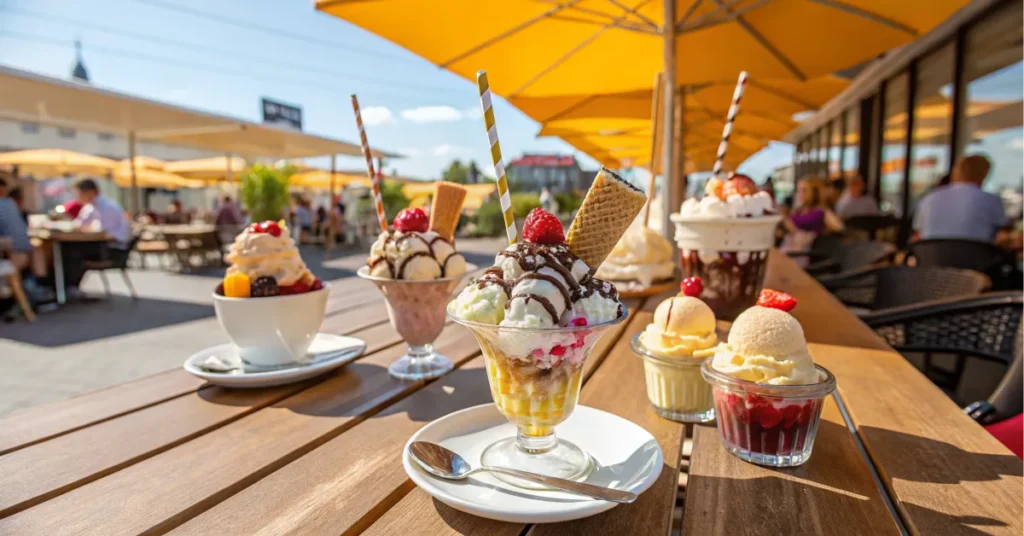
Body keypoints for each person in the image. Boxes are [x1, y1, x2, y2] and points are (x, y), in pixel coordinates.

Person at [912, 155, 1008, 242]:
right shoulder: (991, 200)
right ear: (984, 174)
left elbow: (918, 235)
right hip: (976, 258)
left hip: (931, 259)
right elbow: (1002, 236)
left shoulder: (929, 199)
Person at [61, 179, 133, 292]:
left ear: (90, 192)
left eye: (78, 194)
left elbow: (103, 233)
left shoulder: (107, 207)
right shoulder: (90, 207)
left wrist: (84, 229)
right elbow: (79, 224)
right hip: (102, 245)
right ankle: (64, 286)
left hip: (113, 249)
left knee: (71, 251)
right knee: (65, 249)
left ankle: (69, 287)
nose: (76, 198)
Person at [781, 178, 845, 257]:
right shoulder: (799, 210)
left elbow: (839, 228)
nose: (799, 194)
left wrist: (782, 217)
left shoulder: (819, 212)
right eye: (798, 190)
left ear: (814, 192)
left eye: (804, 190)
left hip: (801, 253)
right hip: (789, 248)